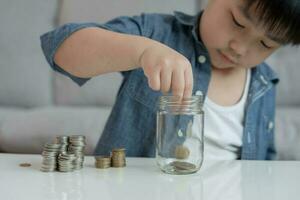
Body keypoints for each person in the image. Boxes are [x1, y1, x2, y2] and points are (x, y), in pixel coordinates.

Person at [40, 0, 300, 160]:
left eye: (266, 44)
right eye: (238, 22)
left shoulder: (265, 82)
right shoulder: (156, 34)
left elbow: (264, 164)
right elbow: (59, 47)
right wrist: (142, 52)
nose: (239, 48)